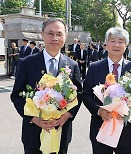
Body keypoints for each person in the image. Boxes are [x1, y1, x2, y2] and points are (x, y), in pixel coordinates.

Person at [11, 18, 82, 154]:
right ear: (42, 35)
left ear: (65, 36)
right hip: (34, 132)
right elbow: (16, 95)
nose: (54, 38)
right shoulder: (27, 63)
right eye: (50, 33)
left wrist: (67, 115)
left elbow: (79, 94)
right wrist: (34, 118)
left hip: (61, 130)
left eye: (59, 34)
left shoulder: (72, 65)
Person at [83, 27, 131, 154]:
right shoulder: (94, 67)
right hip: (101, 127)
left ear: (126, 45)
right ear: (106, 43)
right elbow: (86, 95)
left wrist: (129, 113)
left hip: (126, 130)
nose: (116, 45)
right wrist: (98, 110)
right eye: (112, 41)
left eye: (120, 41)